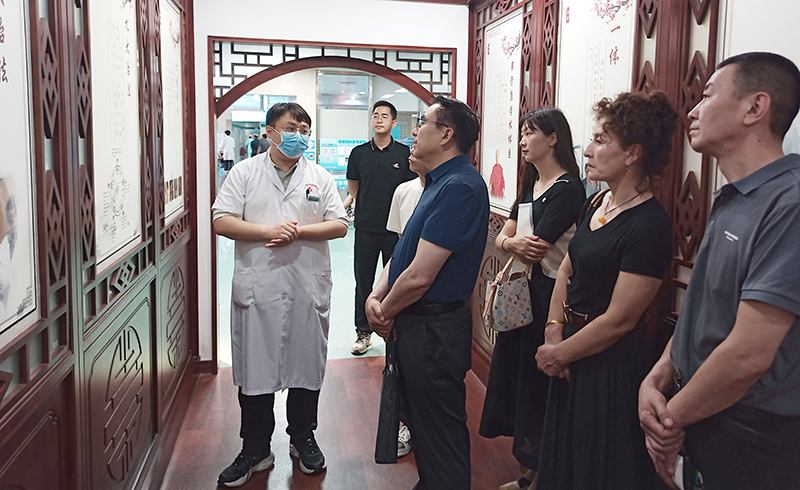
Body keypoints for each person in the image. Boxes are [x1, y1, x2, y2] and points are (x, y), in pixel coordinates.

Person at [639, 52, 800, 490]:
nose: (692, 111)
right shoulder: (734, 196)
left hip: (752, 434)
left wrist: (669, 421)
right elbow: (703, 311)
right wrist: (657, 377)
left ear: (755, 107)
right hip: (702, 412)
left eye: (707, 96)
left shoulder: (789, 203)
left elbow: (748, 354)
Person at [534, 91, 678, 490]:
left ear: (632, 154)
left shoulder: (649, 225)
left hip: (608, 366)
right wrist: (553, 330)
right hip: (569, 347)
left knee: (596, 468)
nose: (587, 151)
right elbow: (567, 267)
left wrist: (560, 353)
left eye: (600, 140)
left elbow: (619, 321)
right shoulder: (598, 201)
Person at [212, 102, 348, 487]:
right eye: (291, 128)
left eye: (304, 130)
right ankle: (255, 448)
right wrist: (268, 231)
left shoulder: (318, 176)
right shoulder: (244, 172)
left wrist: (298, 232)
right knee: (255, 372)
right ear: (270, 131)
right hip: (260, 287)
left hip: (306, 286)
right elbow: (221, 219)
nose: (298, 136)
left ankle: (303, 438)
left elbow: (339, 224)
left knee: (306, 367)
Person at [366, 95, 488, 490]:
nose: (414, 131)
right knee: (422, 422)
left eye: (423, 123)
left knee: (440, 429)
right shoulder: (436, 183)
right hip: (416, 322)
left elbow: (420, 275)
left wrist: (383, 311)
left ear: (447, 134)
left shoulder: (461, 187)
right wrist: (377, 295)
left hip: (435, 328)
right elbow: (403, 251)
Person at [479, 108, 585, 490]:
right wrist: (511, 243)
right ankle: (532, 471)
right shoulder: (532, 184)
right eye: (521, 133)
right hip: (524, 294)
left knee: (541, 387)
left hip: (549, 299)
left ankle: (541, 475)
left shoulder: (568, 189)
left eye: (529, 133)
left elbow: (536, 247)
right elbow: (506, 238)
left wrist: (512, 243)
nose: (522, 141)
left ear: (553, 138)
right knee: (522, 381)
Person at [347, 100, 415, 355]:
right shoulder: (359, 153)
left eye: (384, 116)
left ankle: (394, 331)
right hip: (365, 228)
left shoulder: (404, 154)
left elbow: (411, 190)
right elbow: (353, 187)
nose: (379, 119)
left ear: (394, 123)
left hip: (396, 231)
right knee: (363, 282)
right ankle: (363, 332)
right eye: (375, 115)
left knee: (395, 282)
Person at [386, 153, 426, 237]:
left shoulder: (447, 189)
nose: (412, 152)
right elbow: (400, 233)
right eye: (412, 147)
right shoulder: (402, 189)